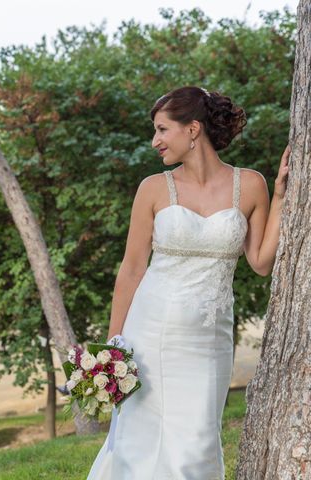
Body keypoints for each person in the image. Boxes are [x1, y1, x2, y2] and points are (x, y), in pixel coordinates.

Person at [87, 86, 289, 479]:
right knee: (139, 442)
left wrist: (280, 196)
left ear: (193, 129)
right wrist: (112, 348)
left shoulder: (250, 185)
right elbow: (131, 269)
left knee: (196, 442)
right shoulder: (152, 188)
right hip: (149, 333)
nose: (155, 141)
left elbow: (261, 262)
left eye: (162, 130)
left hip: (209, 340)